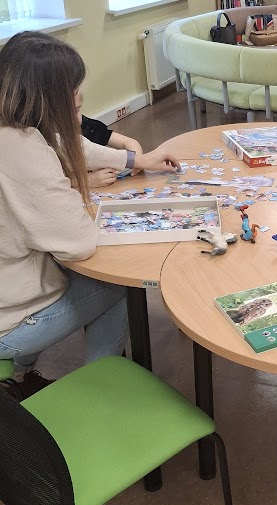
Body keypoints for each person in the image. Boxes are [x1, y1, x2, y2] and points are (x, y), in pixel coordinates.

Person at [0, 31, 180, 400]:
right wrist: (79, 191)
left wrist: (139, 160)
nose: (79, 116)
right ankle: (99, 390)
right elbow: (80, 241)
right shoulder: (23, 154)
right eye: (75, 108)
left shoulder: (15, 126)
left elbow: (72, 146)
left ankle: (20, 375)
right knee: (119, 283)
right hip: (9, 322)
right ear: (47, 102)